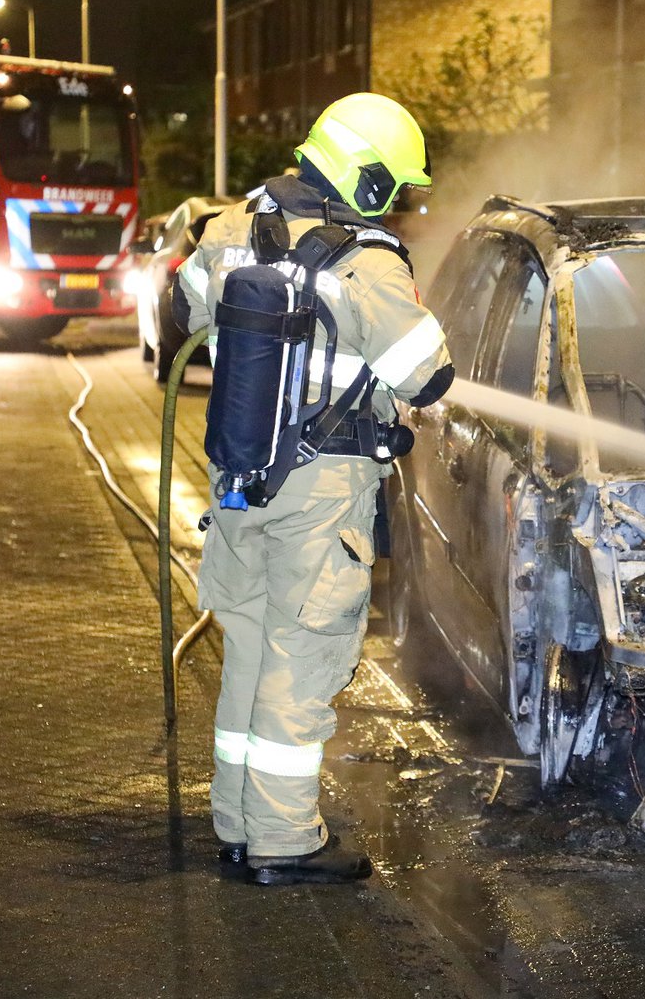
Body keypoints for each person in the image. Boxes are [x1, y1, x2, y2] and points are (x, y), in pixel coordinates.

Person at [175, 93, 453, 886]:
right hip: (321, 494)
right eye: (394, 186)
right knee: (303, 668)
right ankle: (285, 842)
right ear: (365, 178)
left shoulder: (231, 227)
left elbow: (185, 310)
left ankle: (237, 825)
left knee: (252, 656)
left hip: (238, 480)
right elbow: (426, 376)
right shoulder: (368, 260)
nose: (397, 201)